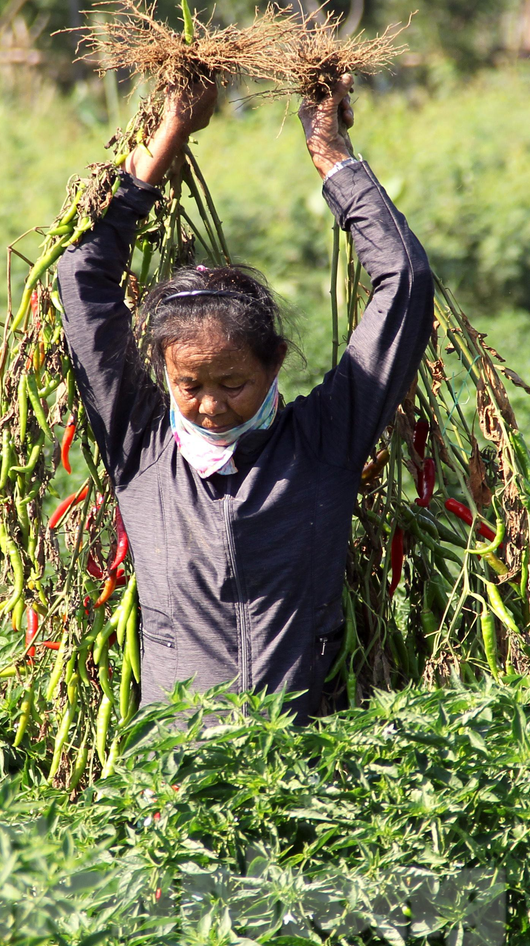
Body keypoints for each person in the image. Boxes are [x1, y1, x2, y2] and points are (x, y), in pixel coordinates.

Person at [56, 74, 434, 723]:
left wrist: (331, 155)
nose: (210, 406)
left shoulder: (323, 444)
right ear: (164, 376)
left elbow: (404, 283)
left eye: (233, 384)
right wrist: (168, 135)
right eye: (190, 386)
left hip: (303, 772)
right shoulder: (142, 444)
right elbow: (80, 276)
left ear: (274, 364)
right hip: (173, 778)